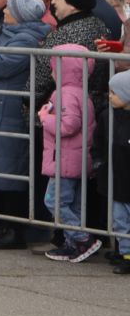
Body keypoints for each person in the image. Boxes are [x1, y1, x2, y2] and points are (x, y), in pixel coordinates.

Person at [0, 0, 50, 250]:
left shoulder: (28, 39)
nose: (4, 11)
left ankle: (15, 229)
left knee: (11, 172)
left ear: (20, 14)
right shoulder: (13, 34)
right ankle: (4, 225)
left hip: (11, 112)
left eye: (9, 9)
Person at [40, 47, 99, 263]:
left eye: (54, 67)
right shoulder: (83, 92)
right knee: (72, 204)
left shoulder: (63, 94)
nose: (52, 72)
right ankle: (72, 244)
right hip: (76, 158)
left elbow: (69, 125)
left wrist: (44, 118)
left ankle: (82, 239)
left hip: (64, 158)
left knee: (53, 201)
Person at [106, 71, 130, 274]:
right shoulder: (114, 116)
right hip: (121, 183)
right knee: (120, 221)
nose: (110, 96)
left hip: (126, 181)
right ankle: (125, 253)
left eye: (114, 92)